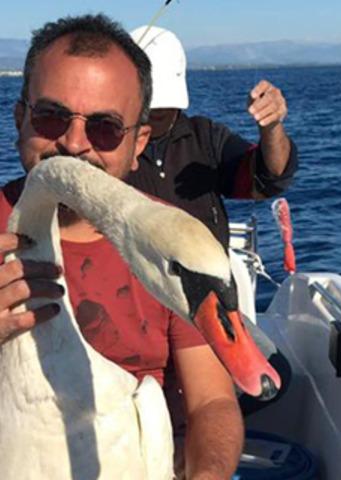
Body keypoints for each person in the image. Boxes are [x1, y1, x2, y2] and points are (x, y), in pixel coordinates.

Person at [1, 14, 242, 479]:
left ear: (138, 144)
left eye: (106, 127)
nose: (73, 144)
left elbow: (212, 400)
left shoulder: (169, 249)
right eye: (51, 116)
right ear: (19, 119)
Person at [127, 25, 298, 249]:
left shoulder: (205, 137)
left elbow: (269, 178)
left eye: (162, 104)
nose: (155, 112)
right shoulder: (106, 145)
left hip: (209, 280)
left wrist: (272, 126)